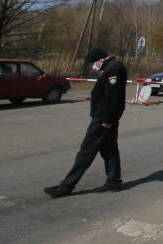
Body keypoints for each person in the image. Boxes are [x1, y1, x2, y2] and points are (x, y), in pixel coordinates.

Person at [44, 48, 127, 198]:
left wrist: (107, 119)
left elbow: (112, 96)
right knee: (109, 149)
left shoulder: (113, 69)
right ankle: (113, 181)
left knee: (86, 151)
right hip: (106, 117)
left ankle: (66, 186)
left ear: (100, 60)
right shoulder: (111, 67)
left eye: (93, 63)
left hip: (103, 118)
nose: (93, 67)